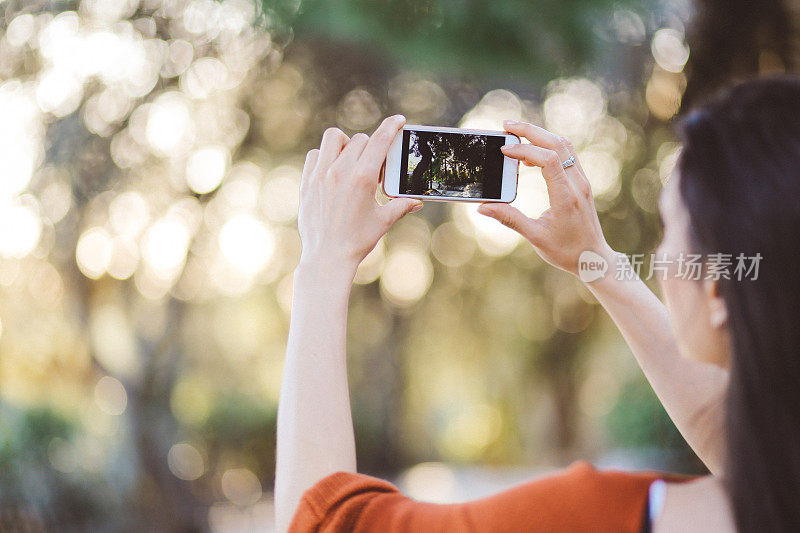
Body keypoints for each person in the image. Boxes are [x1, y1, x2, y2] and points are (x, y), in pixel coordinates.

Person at [275, 75, 800, 532]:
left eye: (671, 228)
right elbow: (734, 434)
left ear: (715, 288)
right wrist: (593, 259)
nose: (662, 255)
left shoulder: (599, 518)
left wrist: (323, 264)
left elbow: (323, 525)